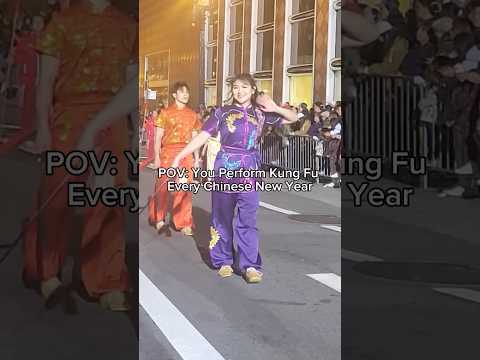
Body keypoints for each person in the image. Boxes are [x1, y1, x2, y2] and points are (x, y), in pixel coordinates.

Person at [23, 0, 137, 312]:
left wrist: (136, 131)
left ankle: (107, 279)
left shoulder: (128, 25)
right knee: (56, 194)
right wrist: (43, 129)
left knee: (110, 198)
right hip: (69, 115)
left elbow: (132, 82)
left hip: (113, 119)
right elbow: (45, 81)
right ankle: (47, 272)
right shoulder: (62, 21)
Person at [171, 73, 298, 283]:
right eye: (236, 87)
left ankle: (250, 265)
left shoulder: (262, 113)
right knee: (221, 219)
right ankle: (224, 261)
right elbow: (203, 136)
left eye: (245, 87)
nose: (240, 91)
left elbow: (294, 118)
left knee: (248, 219)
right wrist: (180, 156)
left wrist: (275, 107)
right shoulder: (222, 112)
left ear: (253, 90)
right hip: (225, 168)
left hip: (250, 169)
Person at [148, 82, 201, 236]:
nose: (185, 95)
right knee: (163, 186)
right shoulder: (164, 113)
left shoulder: (193, 115)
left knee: (184, 189)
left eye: (187, 92)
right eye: (181, 92)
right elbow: (158, 138)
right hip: (168, 154)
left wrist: (196, 158)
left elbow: (195, 138)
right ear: (174, 95)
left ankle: (183, 221)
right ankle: (159, 219)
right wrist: (157, 157)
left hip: (185, 155)